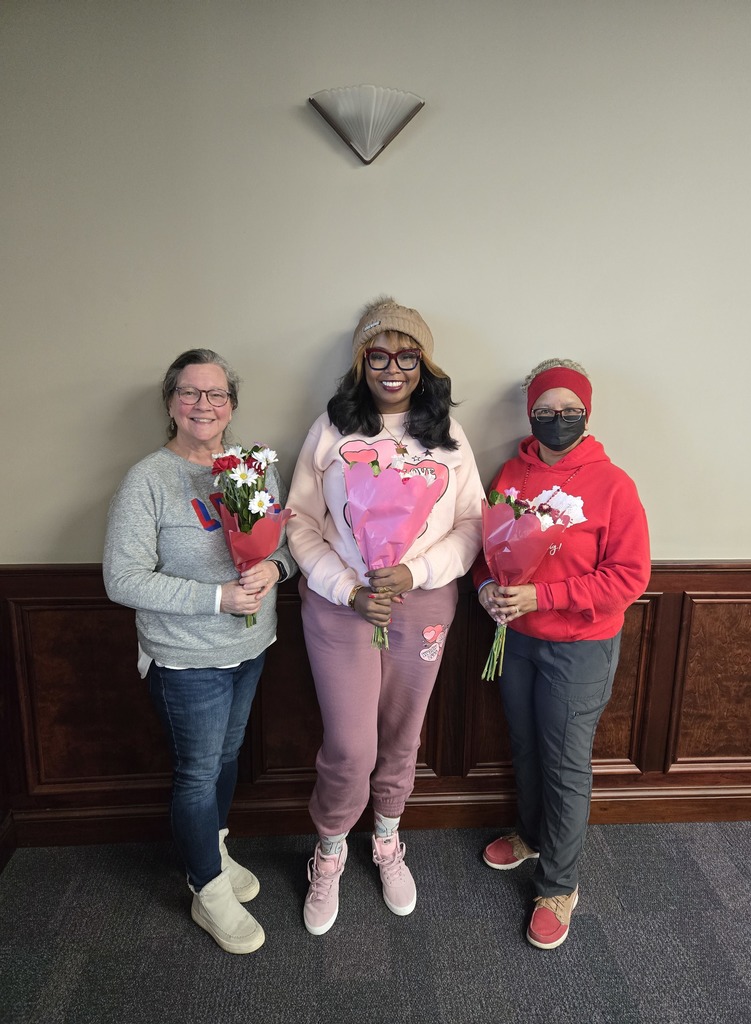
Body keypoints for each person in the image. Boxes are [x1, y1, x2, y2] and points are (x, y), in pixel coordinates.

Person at [286, 297, 484, 935]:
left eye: (406, 356)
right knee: (350, 744)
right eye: (378, 355)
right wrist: (346, 588)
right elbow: (300, 524)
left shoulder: (449, 440)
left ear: (424, 366)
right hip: (340, 607)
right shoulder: (331, 430)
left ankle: (389, 838)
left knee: (402, 733)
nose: (392, 368)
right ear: (360, 363)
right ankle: (330, 849)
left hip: (422, 603)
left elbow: (474, 525)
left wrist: (417, 573)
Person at [103, 348, 295, 955]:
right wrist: (217, 598)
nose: (203, 405)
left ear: (231, 405)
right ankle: (205, 887)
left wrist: (272, 569)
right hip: (186, 659)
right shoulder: (148, 480)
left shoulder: (254, 468)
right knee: (196, 772)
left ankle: (212, 848)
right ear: (171, 403)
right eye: (190, 393)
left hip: (251, 647)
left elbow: (284, 548)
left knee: (229, 755)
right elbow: (122, 580)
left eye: (215, 395)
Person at [473, 358, 650, 950]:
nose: (556, 419)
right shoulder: (510, 474)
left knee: (565, 763)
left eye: (568, 410)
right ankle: (530, 834)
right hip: (517, 640)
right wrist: (485, 590)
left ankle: (559, 885)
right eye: (545, 410)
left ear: (587, 412)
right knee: (524, 747)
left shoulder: (613, 484)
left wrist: (545, 594)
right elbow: (486, 550)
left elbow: (629, 577)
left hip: (580, 647)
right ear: (530, 413)